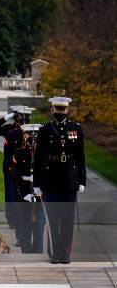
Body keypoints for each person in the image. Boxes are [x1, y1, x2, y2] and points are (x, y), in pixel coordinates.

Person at [33, 97, 85, 264]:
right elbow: (39, 158)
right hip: (51, 180)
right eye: (58, 110)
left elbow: (80, 157)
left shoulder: (75, 129)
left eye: (63, 110)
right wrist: (37, 184)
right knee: (53, 220)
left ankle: (65, 253)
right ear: (53, 110)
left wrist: (82, 181)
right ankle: (55, 253)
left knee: (68, 220)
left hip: (70, 180)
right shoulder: (45, 130)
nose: (60, 113)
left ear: (67, 111)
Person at [0, 105, 31, 229]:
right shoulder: (10, 129)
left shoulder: (31, 130)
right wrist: (4, 118)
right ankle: (13, 220)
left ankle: (22, 219)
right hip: (10, 168)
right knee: (11, 195)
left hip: (25, 168)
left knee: (23, 194)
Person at [9, 123, 45, 253]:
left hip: (40, 195)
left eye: (35, 134)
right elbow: (14, 173)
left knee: (39, 226)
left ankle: (38, 251)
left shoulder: (44, 153)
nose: (32, 137)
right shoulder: (19, 152)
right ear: (24, 135)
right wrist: (25, 193)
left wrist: (41, 188)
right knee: (25, 226)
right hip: (24, 194)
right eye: (29, 134)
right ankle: (26, 251)